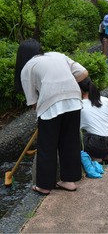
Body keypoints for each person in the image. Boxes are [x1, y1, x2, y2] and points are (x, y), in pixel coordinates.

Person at [14, 39, 88, 195]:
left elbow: (33, 102)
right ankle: (69, 181)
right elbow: (83, 73)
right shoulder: (57, 55)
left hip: (50, 103)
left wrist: (44, 111)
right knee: (70, 140)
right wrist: (65, 85)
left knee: (47, 146)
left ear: (22, 56)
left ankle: (44, 186)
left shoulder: (27, 67)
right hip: (74, 99)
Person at [78, 77, 108, 164]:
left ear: (80, 90)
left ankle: (95, 158)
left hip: (97, 145)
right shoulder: (105, 100)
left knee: (78, 137)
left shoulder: (80, 106)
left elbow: (74, 131)